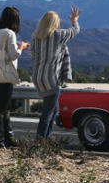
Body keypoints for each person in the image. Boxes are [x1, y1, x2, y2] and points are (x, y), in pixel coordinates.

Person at [32, 7, 81, 139]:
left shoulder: (36, 38)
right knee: (47, 112)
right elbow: (74, 31)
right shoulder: (58, 35)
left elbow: (33, 57)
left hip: (38, 77)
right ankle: (40, 139)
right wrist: (74, 20)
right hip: (51, 78)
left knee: (54, 108)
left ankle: (48, 137)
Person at [0, 7, 29, 147]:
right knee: (1, 109)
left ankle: (7, 139)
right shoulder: (10, 33)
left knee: (5, 108)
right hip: (6, 76)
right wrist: (22, 47)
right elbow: (14, 55)